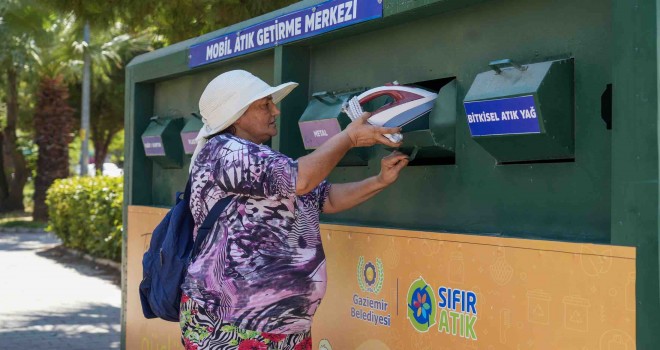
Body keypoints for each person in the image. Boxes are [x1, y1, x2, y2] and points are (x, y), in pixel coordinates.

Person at [180, 70, 409, 350]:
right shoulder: (223, 151)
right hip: (232, 326)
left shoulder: (262, 157)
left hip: (285, 327)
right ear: (236, 114)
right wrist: (348, 138)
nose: (275, 110)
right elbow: (302, 179)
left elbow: (327, 198)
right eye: (264, 105)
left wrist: (379, 181)